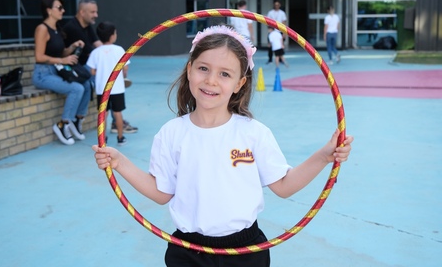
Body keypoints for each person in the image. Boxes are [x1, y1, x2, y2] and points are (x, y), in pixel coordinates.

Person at [92, 25, 354, 266]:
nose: (211, 80)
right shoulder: (171, 134)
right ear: (190, 69)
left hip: (246, 251)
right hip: (187, 251)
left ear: (240, 83)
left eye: (225, 74)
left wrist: (323, 156)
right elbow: (162, 193)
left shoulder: (253, 134)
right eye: (203, 68)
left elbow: (284, 186)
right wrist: (120, 162)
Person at [63, 0, 138, 134]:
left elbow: (99, 45)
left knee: (106, 104)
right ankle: (82, 119)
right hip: (77, 68)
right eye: (93, 12)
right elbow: (95, 53)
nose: (96, 15)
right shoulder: (72, 28)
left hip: (89, 68)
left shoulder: (87, 26)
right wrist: (109, 58)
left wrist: (107, 53)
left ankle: (113, 124)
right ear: (82, 12)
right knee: (100, 91)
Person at [32, 0, 91, 145]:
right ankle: (63, 124)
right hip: (43, 74)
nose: (63, 11)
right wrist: (62, 61)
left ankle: (77, 120)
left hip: (56, 71)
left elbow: (60, 53)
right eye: (59, 7)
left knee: (87, 84)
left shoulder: (57, 29)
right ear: (49, 10)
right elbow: (39, 57)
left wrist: (71, 47)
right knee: (76, 88)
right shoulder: (42, 29)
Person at [87, 21, 129, 146]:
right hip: (117, 88)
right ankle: (120, 138)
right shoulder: (119, 49)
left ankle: (102, 139)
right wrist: (123, 76)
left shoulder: (96, 52)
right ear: (112, 35)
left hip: (102, 89)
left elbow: (92, 71)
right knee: (118, 113)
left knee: (103, 114)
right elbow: (125, 69)